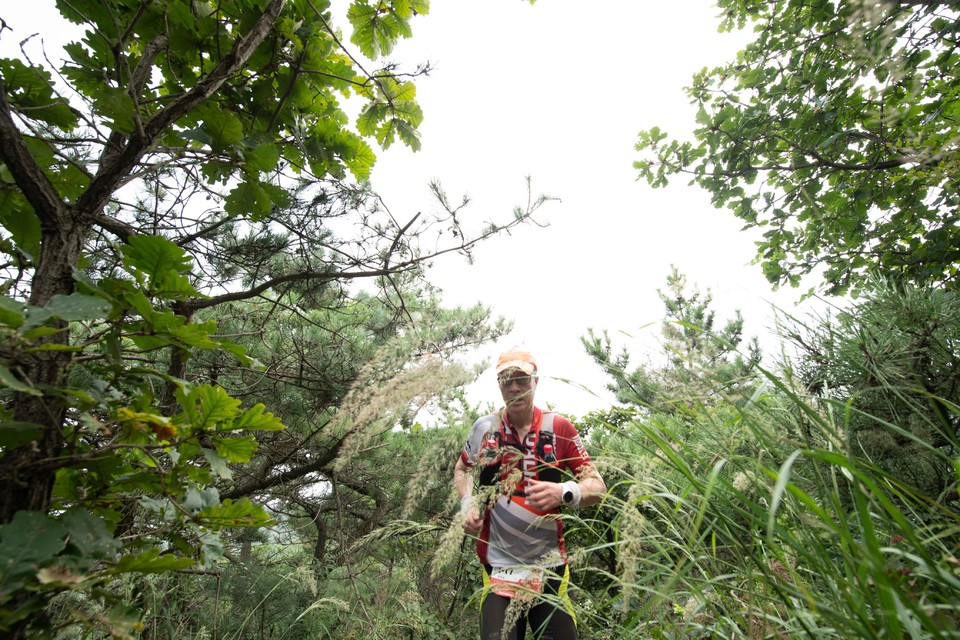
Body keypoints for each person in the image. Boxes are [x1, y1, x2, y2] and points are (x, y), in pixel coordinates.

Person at [454, 349, 606, 640]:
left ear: (536, 381)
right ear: (499, 385)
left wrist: (565, 491)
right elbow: (462, 469)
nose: (514, 387)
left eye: (521, 379)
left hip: (548, 568)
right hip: (498, 567)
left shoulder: (557, 428)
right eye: (506, 380)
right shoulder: (485, 429)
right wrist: (467, 503)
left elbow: (597, 486)